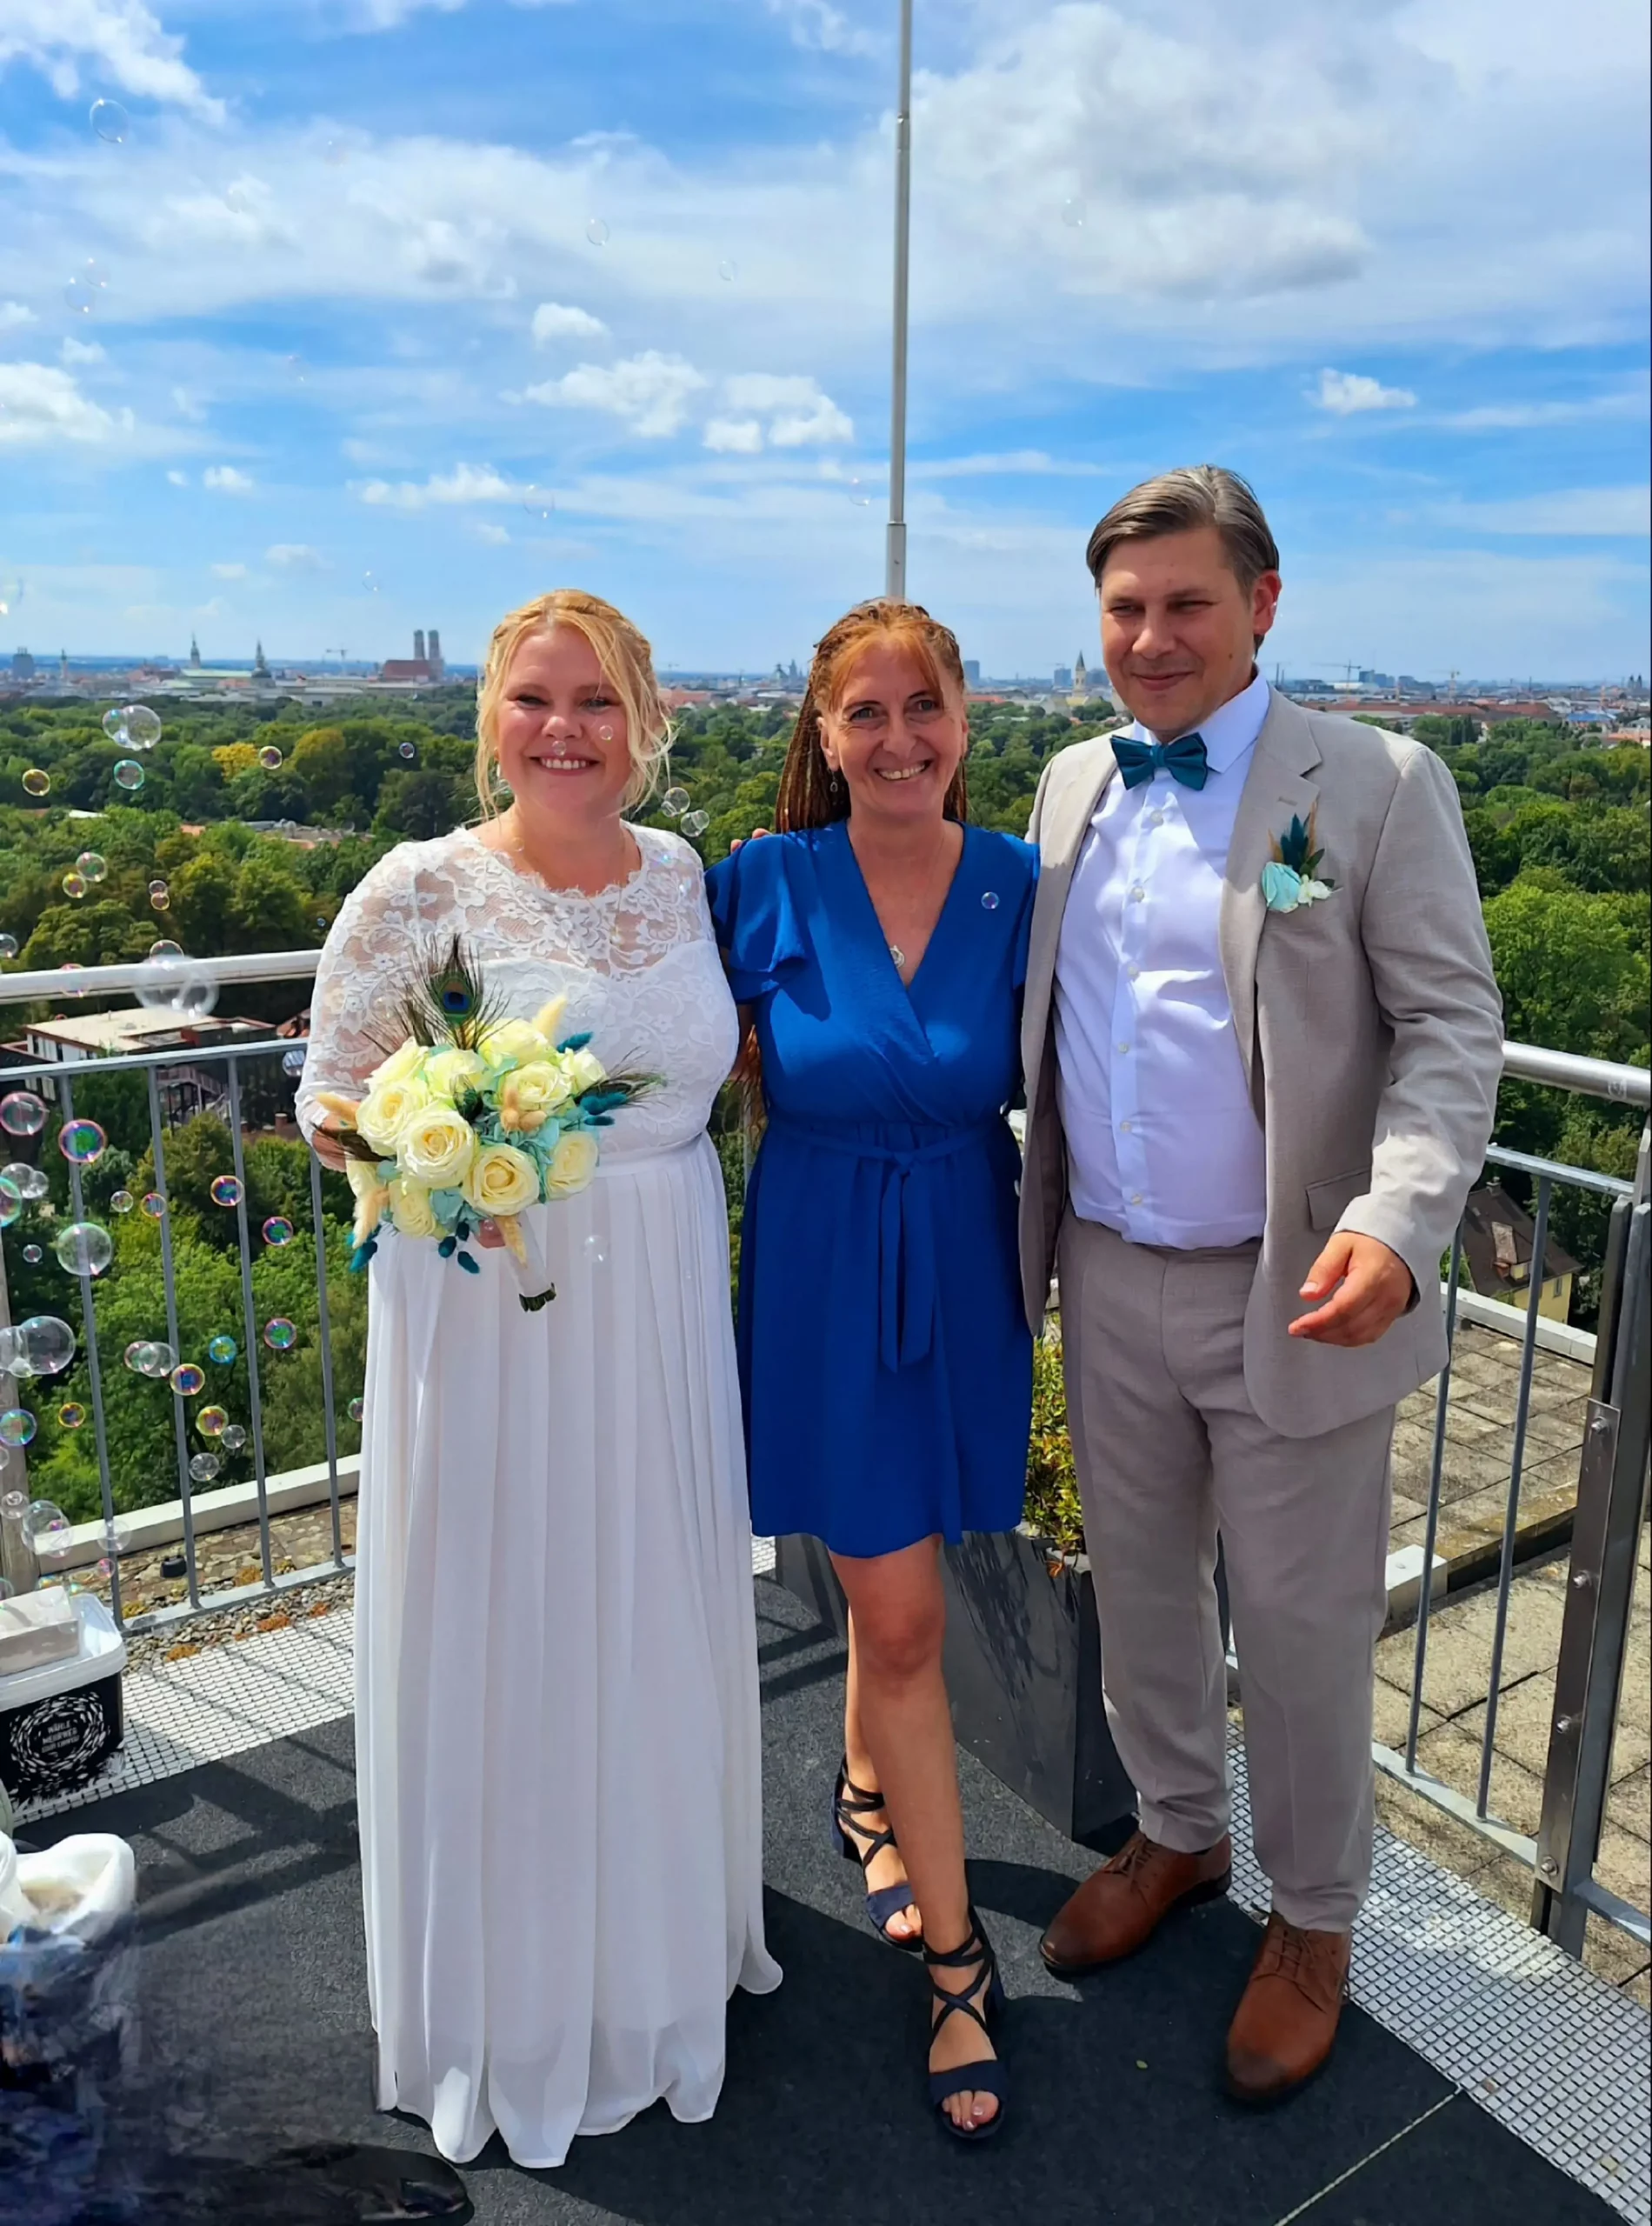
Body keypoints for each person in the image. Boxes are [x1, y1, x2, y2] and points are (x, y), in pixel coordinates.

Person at [1021, 469, 1503, 2103]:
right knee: (1142, 1589)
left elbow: (1450, 1027)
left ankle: (1314, 1918)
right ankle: (1174, 1837)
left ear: (1265, 605)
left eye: (1186, 605)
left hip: (1296, 1282)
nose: (1151, 640)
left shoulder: (1372, 782)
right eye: (1125, 609)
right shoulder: (1068, 778)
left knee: (1299, 1632)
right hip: (1108, 1263)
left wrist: (1402, 1217)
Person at [297, 588, 780, 2169]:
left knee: (646, 1604)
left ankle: (655, 1950)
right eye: (531, 699)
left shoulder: (686, 876)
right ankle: (510, 1999)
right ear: (489, 717)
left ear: (646, 718)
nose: (562, 728)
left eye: (595, 699)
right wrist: (445, 1140)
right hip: (490, 1312)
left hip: (657, 1294)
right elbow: (331, 1107)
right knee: (507, 1620)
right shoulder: (418, 886)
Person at [705, 600, 1037, 2141]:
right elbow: (631, 1057)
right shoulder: (759, 885)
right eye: (865, 714)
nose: (898, 740)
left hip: (961, 1263)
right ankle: (963, 1973)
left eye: (925, 708)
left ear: (966, 722)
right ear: (822, 736)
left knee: (896, 1569)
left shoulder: (1024, 888)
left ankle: (862, 1797)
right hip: (828, 1275)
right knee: (902, 1615)